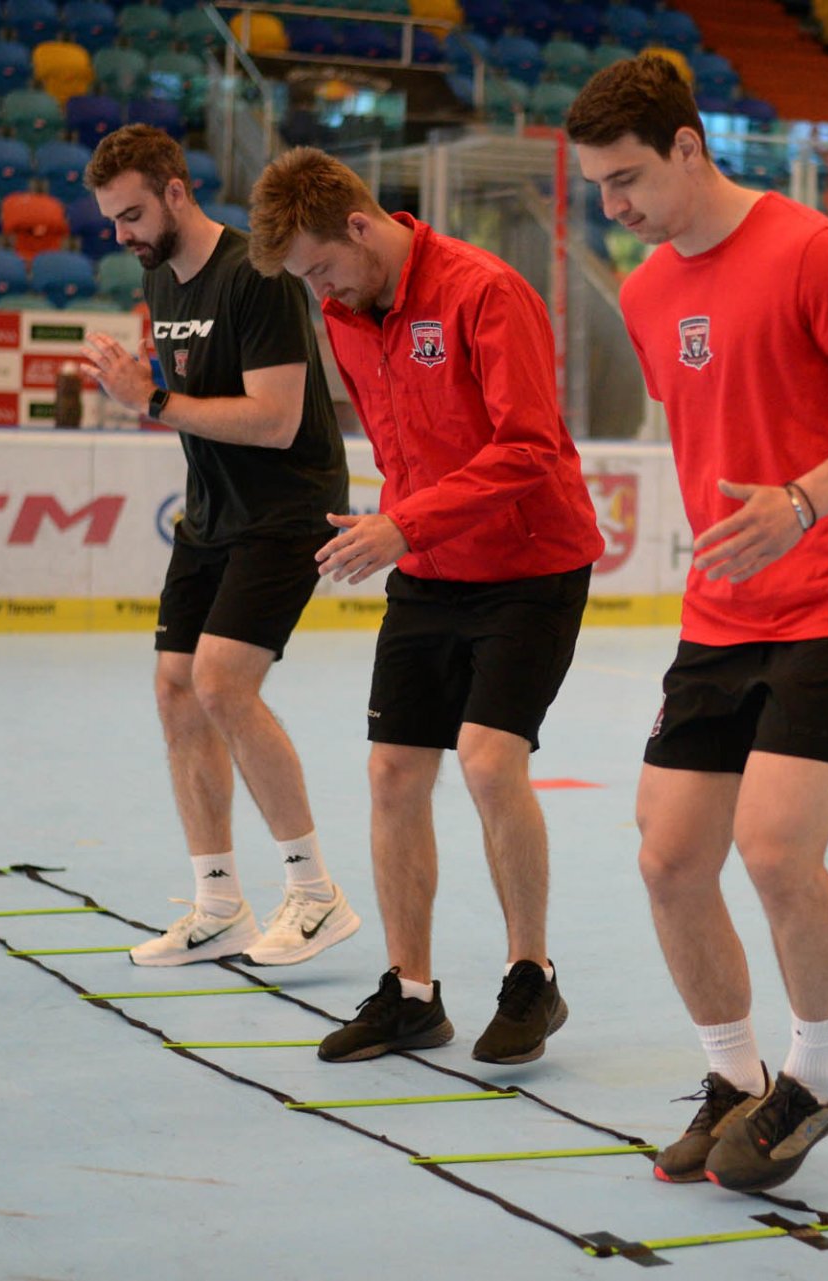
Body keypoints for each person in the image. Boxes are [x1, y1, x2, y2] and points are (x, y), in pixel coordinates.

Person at [565, 56, 828, 1191]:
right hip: (726, 611)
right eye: (598, 187)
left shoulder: (812, 251)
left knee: (775, 847)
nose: (614, 207)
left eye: (628, 179)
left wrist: (803, 501)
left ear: (689, 146)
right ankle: (733, 1077)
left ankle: (817, 1075)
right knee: (671, 856)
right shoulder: (644, 294)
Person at [247, 147, 604, 1065]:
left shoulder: (486, 292)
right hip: (429, 566)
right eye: (306, 279)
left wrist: (404, 522)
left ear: (359, 226)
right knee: (394, 774)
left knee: (487, 761)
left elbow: (529, 445)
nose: (320, 290)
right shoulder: (344, 311)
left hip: (530, 566)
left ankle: (531, 976)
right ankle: (411, 993)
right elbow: (399, 438)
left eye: (322, 268)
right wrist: (401, 525)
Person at [78, 126, 360, 969]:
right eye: (111, 219)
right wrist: (153, 395)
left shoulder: (257, 274)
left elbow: (276, 420)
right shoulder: (159, 274)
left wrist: (151, 399)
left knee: (222, 682)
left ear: (176, 191)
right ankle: (218, 905)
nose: (121, 234)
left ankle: (315, 894)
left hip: (287, 508)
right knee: (175, 689)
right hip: (211, 513)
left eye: (132, 214)